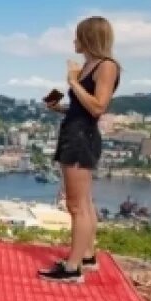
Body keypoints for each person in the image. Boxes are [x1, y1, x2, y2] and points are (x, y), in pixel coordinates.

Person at [40, 16, 121, 283]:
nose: (74, 41)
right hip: (74, 132)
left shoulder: (106, 66)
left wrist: (73, 82)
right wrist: (59, 108)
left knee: (76, 206)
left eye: (77, 37)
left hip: (81, 139)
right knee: (84, 202)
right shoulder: (89, 65)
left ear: (88, 38)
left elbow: (98, 107)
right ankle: (86, 256)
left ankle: (72, 268)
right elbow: (82, 109)